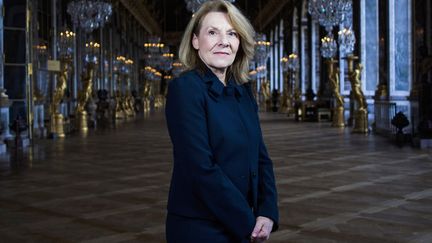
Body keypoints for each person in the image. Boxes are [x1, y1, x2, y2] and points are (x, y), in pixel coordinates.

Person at [165, 1, 279, 242]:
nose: (224, 41)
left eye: (232, 33)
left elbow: (261, 157)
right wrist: (249, 224)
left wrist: (267, 213)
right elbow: (200, 168)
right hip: (200, 225)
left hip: (243, 222)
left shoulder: (243, 92)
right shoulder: (185, 89)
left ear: (239, 42)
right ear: (195, 41)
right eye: (212, 32)